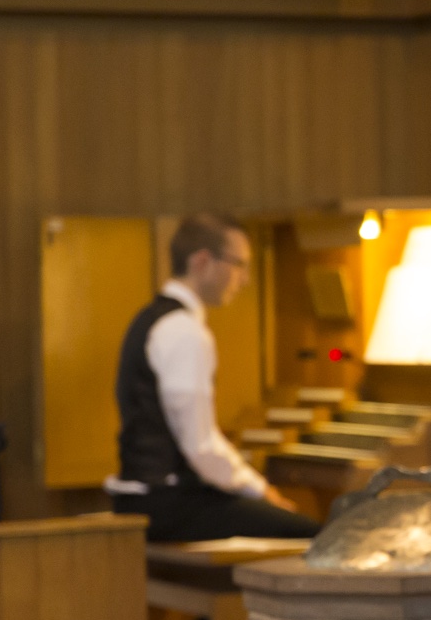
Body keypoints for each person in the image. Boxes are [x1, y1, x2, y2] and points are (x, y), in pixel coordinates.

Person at [107, 213, 318, 543]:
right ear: (202, 262)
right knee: (312, 536)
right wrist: (261, 490)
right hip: (168, 503)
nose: (244, 279)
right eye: (239, 264)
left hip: (144, 497)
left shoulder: (150, 318)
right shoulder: (184, 331)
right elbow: (201, 447)